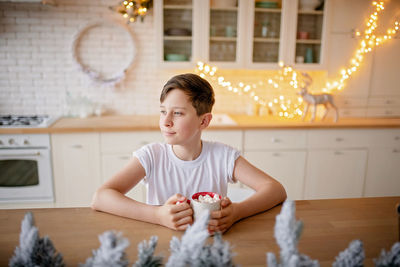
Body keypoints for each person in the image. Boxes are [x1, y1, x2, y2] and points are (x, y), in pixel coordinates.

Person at [91, 73, 287, 234]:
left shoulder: (223, 157)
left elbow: (275, 189)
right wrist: (158, 215)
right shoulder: (151, 156)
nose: (166, 121)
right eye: (163, 111)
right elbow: (101, 197)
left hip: (209, 247)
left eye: (177, 113)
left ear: (203, 121)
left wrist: (236, 212)